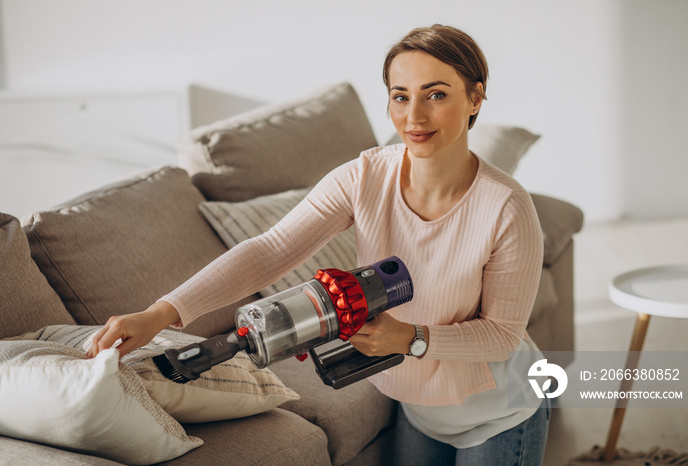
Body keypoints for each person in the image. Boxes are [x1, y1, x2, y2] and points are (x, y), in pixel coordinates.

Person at [88, 24, 549, 466]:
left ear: (475, 96)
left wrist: (412, 338)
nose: (414, 116)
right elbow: (269, 251)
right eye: (400, 96)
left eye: (437, 94)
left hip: (499, 412)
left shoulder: (507, 207)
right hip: (417, 405)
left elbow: (503, 336)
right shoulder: (366, 176)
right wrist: (162, 313)